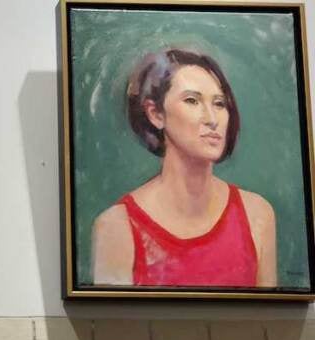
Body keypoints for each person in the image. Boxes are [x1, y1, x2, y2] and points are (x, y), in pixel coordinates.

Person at [92, 49, 276, 288]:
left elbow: (269, 319)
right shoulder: (117, 227)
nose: (212, 118)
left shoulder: (257, 215)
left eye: (219, 103)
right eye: (192, 100)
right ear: (155, 114)